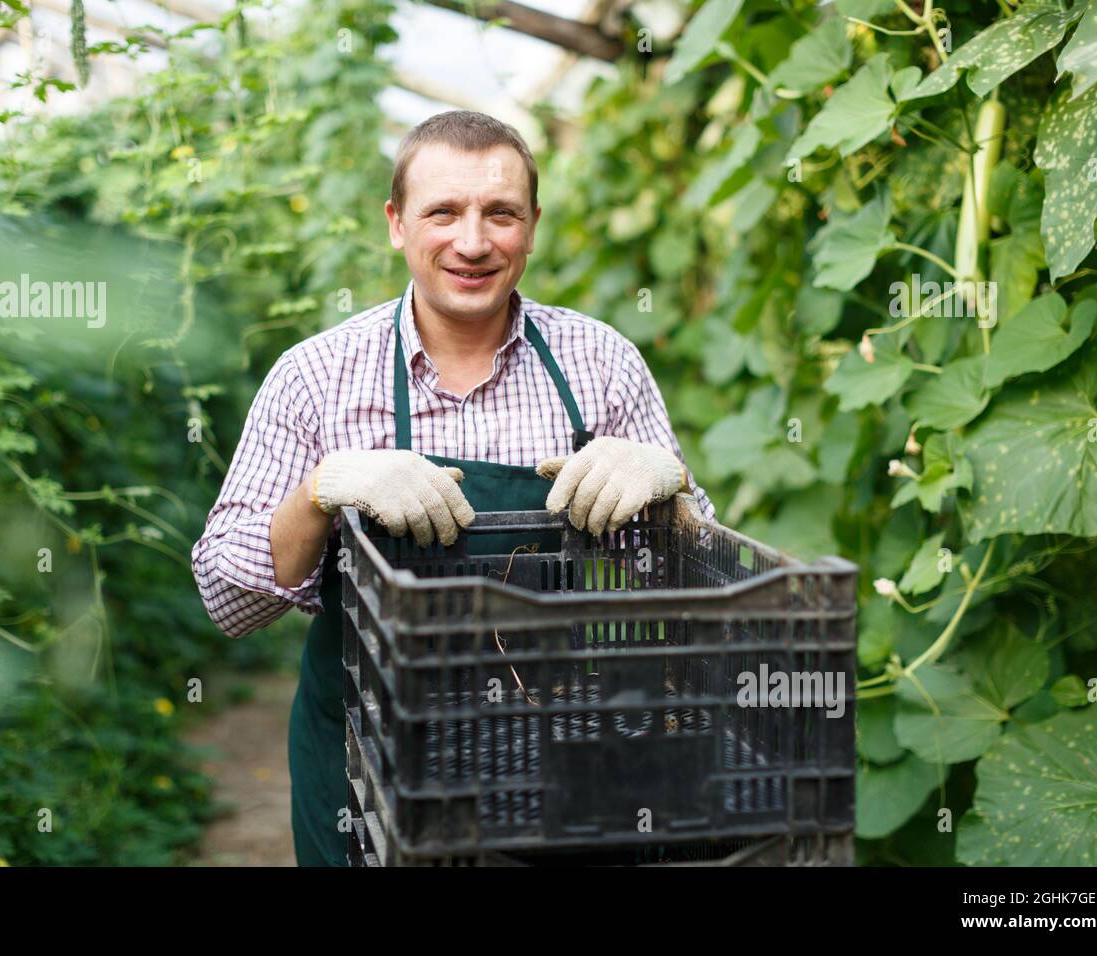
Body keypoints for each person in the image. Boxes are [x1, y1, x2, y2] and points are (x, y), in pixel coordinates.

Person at [191, 110, 717, 867]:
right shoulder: (317, 376)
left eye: (500, 213)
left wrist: (674, 489)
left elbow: (693, 587)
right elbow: (228, 598)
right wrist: (321, 489)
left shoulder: (601, 362)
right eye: (443, 212)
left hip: (567, 758)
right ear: (397, 223)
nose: (473, 243)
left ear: (531, 227)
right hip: (371, 770)